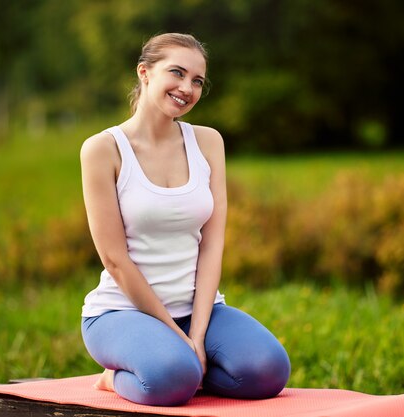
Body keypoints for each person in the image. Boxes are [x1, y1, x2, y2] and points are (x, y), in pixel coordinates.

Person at [79, 33, 291, 407]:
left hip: (197, 309)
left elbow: (211, 245)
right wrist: (179, 341)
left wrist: (198, 331)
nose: (187, 88)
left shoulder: (208, 142)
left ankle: (184, 366)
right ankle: (115, 378)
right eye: (176, 73)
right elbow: (114, 260)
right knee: (173, 378)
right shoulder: (103, 149)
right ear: (144, 73)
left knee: (269, 371)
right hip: (121, 313)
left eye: (197, 81)